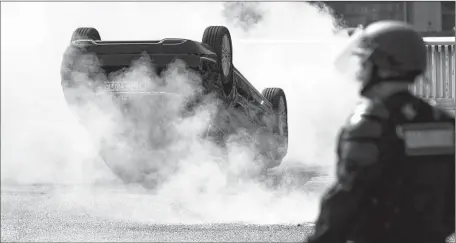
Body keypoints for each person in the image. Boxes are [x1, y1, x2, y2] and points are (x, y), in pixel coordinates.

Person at [305, 20, 455, 243]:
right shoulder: (442, 121)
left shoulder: (370, 123)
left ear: (383, 66)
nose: (361, 71)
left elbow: (344, 201)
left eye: (366, 62)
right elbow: (450, 203)